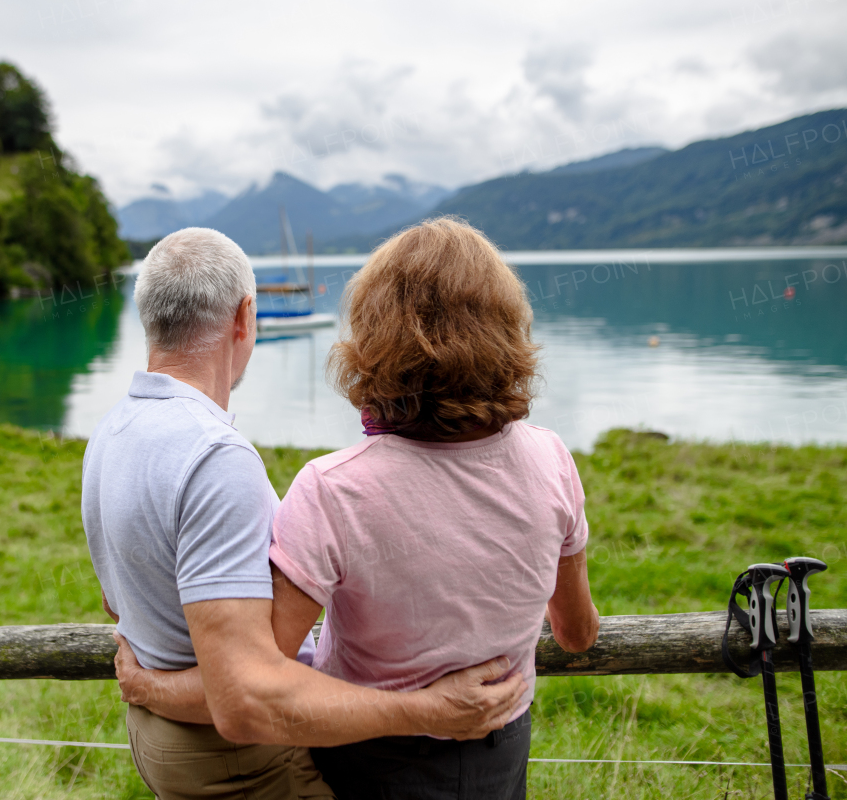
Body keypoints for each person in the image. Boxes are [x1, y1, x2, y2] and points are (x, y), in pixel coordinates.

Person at [115, 218, 599, 800]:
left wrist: (150, 688)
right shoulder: (552, 459)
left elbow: (249, 688)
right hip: (502, 748)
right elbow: (575, 632)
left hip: (374, 761)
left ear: (373, 337)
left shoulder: (333, 488)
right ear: (507, 329)